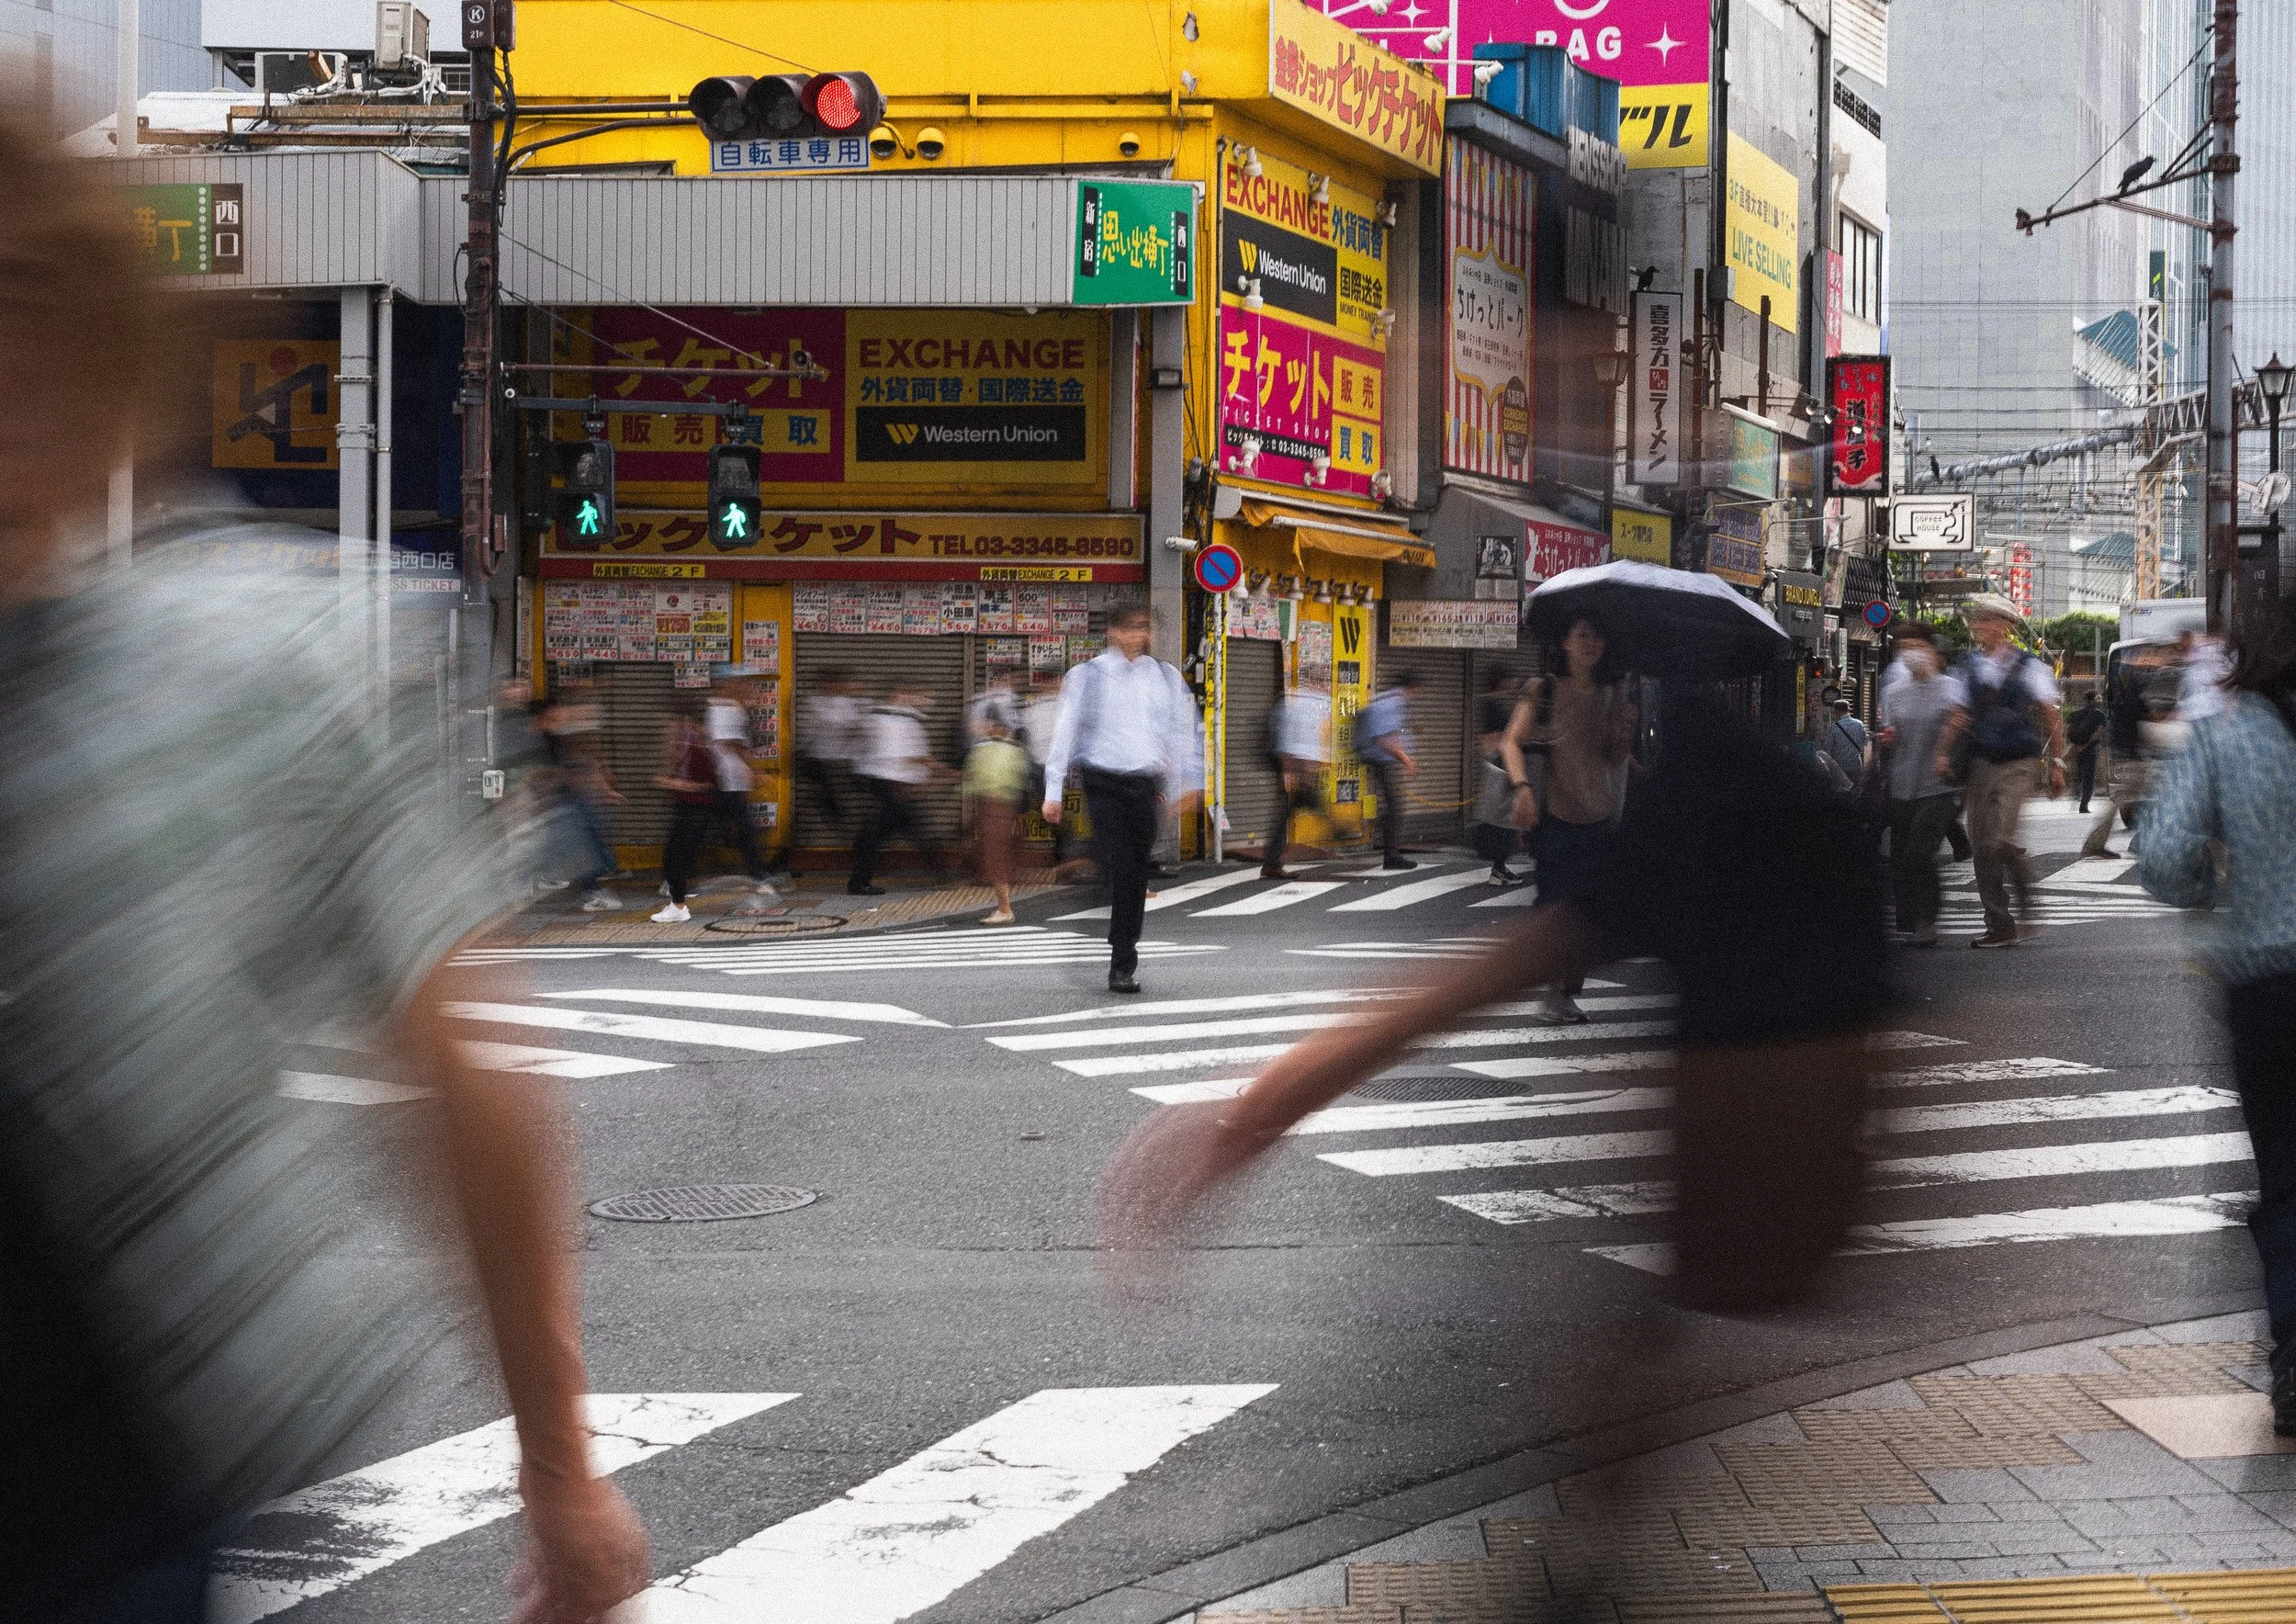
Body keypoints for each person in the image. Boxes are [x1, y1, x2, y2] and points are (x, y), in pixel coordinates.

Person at [0, 115, 646, 1618]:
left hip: (123, 1487)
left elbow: (464, 1060)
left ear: (104, 351)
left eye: (29, 292)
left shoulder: (275, 668)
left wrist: (559, 1461)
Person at [1101, 680, 1887, 1316]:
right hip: (1802, 1177)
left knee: (1644, 1363)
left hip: (1763, 1161)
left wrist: (1255, 1117)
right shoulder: (1798, 827)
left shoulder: (1701, 831)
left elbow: (1462, 988)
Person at [2136, 592, 2296, 1431]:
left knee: (2287, 1177)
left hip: (2269, 985)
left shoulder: (2231, 733)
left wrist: (2211, 882)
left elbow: (2161, 856)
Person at [1042, 604, 1202, 994]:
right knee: (1123, 866)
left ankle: (1124, 951)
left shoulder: (1165, 677)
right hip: (1102, 783)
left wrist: (1190, 783)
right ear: (1113, 631)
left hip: (1145, 786)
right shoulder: (1086, 676)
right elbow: (1064, 732)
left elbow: (1183, 733)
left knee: (1134, 872)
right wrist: (1053, 790)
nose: (1137, 635)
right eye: (1129, 627)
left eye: (1143, 628)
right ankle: (1121, 961)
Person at [1500, 617, 1636, 1022]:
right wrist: (1522, 788)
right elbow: (1511, 740)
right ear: (1564, 642)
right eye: (1582, 635)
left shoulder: (1612, 694)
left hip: (1601, 817)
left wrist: (1625, 727)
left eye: (1597, 635)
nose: (1591, 643)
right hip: (1557, 819)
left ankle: (1564, 988)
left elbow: (1613, 757)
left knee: (1591, 915)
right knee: (1556, 907)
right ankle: (1554, 992)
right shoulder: (1542, 689)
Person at [1934, 595, 2066, 947]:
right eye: (1978, 622)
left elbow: (2051, 715)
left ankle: (2027, 906)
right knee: (1981, 847)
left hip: (2020, 763)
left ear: (2006, 627)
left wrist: (2058, 763)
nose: (1981, 628)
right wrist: (1944, 752)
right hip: (1980, 762)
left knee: (2002, 839)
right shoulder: (1968, 666)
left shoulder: (2030, 666)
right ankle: (1999, 924)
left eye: (1989, 622)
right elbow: (1959, 714)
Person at [1877, 626, 1967, 946]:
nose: (1910, 652)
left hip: (1939, 786)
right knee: (1899, 858)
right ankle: (1910, 922)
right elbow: (1890, 729)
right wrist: (1888, 738)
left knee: (1919, 854)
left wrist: (1944, 750)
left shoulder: (1951, 688)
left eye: (1916, 645)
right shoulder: (1893, 691)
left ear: (1932, 650)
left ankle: (1927, 923)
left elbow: (1960, 720)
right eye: (1904, 646)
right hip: (1903, 784)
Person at [849, 682, 954, 896]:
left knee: (886, 834)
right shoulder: (899, 720)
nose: (926, 702)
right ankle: (859, 882)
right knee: (902, 833)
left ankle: (942, 876)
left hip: (886, 785)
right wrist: (948, 773)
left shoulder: (880, 718)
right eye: (920, 695)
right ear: (899, 694)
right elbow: (913, 758)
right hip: (893, 787)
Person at [539, 684, 626, 911]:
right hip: (568, 797)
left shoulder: (572, 736)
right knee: (585, 841)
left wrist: (604, 789)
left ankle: (590, 886)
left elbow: (589, 763)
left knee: (591, 837)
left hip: (579, 796)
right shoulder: (553, 737)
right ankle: (590, 890)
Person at [701, 678, 779, 904]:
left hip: (732, 779)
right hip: (725, 778)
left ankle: (759, 874)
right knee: (742, 829)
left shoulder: (732, 707)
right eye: (747, 684)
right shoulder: (723, 709)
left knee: (740, 829)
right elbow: (732, 743)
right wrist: (754, 770)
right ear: (731, 685)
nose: (752, 688)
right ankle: (759, 876)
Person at [651, 701, 719, 924]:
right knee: (674, 857)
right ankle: (678, 903)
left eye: (668, 723)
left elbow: (708, 785)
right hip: (686, 807)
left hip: (696, 808)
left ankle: (679, 906)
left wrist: (674, 784)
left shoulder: (697, 746)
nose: (666, 729)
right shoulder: (685, 744)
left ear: (682, 721)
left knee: (674, 857)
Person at [963, 713, 1030, 926]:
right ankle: (1004, 906)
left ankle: (1005, 909)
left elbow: (973, 780)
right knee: (998, 858)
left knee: (996, 860)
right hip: (1007, 808)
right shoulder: (1017, 751)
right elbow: (1021, 780)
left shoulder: (982, 750)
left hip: (990, 807)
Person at [1355, 671, 1423, 871]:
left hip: (1380, 759)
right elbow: (1384, 738)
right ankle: (1391, 857)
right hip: (1383, 760)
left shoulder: (1387, 699)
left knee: (1392, 806)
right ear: (1412, 688)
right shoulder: (1394, 703)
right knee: (1395, 807)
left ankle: (1391, 854)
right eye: (1417, 691)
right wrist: (1406, 759)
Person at [1262, 686, 1331, 881]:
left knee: (1290, 809)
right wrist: (1287, 773)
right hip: (1288, 766)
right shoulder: (1300, 710)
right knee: (1289, 809)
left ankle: (1273, 862)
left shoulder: (1302, 708)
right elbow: (1287, 743)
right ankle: (1273, 863)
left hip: (1291, 767)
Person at [795, 667, 863, 847]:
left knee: (833, 805)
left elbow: (858, 727)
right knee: (832, 806)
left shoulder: (847, 703)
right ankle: (850, 841)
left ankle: (851, 840)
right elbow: (806, 732)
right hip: (820, 763)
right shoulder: (815, 703)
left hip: (840, 764)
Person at [1470, 669, 1525, 884]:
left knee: (1502, 816)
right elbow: (1491, 737)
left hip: (1498, 763)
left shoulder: (1493, 704)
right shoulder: (1491, 705)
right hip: (1499, 765)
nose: (1514, 684)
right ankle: (1499, 869)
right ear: (1502, 682)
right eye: (1511, 680)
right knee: (1503, 816)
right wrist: (1496, 761)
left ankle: (1499, 867)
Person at [2065, 687, 2108, 815]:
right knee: (2089, 777)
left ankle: (2076, 791)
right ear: (2094, 699)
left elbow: (2068, 729)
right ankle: (2084, 804)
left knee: (2078, 772)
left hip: (2077, 748)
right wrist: (2087, 745)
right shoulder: (2099, 714)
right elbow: (2098, 733)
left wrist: (2076, 745)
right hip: (2091, 749)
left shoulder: (2075, 713)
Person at [1818, 694, 1872, 788]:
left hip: (1840, 766)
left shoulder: (1835, 727)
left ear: (1837, 711)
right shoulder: (1859, 724)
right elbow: (1865, 741)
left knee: (1841, 791)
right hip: (1856, 764)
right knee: (1855, 791)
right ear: (1848, 710)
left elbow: (1827, 747)